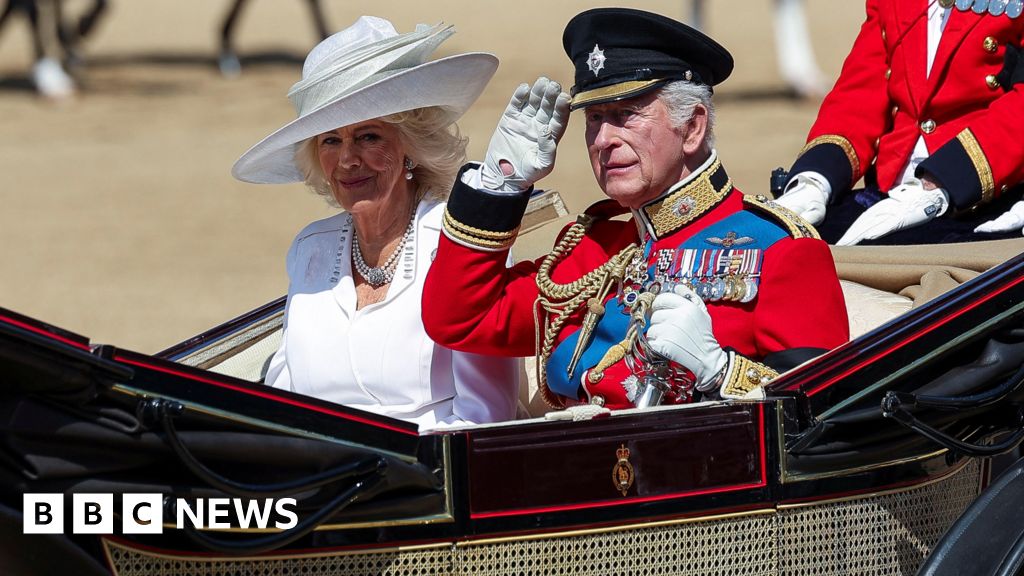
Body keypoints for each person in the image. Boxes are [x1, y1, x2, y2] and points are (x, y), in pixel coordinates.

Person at [422, 8, 848, 412]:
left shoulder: (777, 249)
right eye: (595, 118)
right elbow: (459, 320)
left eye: (627, 114)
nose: (604, 138)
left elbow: (822, 417)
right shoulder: (593, 248)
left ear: (693, 127)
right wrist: (500, 186)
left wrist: (721, 373)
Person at [231, 16, 519, 429]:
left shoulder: (461, 245)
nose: (347, 159)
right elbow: (285, 398)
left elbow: (487, 418)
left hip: (428, 480)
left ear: (409, 148)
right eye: (331, 140)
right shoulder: (310, 249)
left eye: (368, 136)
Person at [775, 0, 1024, 245]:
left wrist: (943, 181)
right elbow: (863, 89)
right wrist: (815, 179)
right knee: (781, 248)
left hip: (981, 196)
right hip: (889, 195)